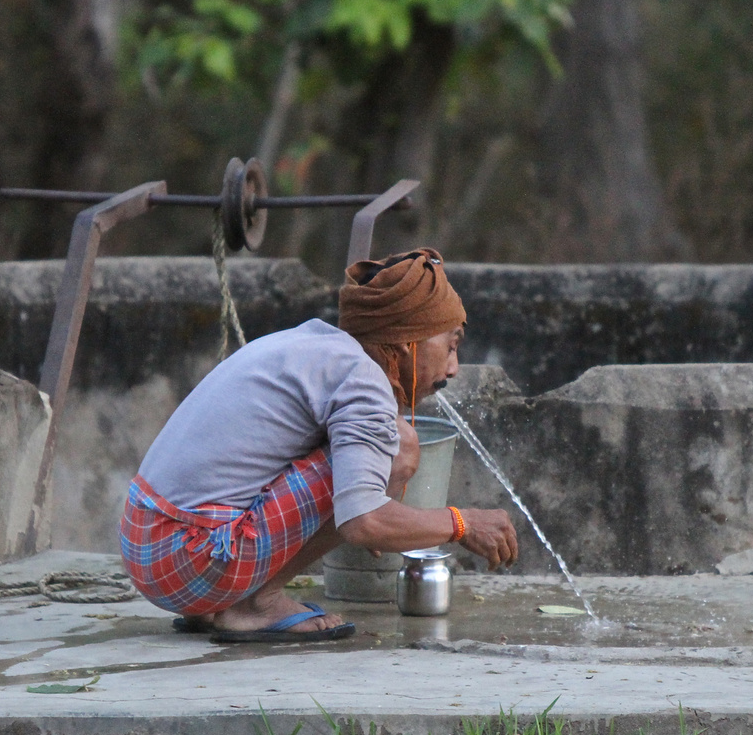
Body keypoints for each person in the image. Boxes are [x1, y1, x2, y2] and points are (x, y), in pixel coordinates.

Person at [119, 248, 519, 642]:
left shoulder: (315, 346)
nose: (453, 367)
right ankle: (254, 604)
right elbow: (364, 521)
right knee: (399, 447)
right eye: (451, 345)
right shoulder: (362, 382)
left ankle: (234, 600)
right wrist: (461, 523)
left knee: (388, 446)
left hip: (144, 540)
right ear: (406, 341)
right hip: (187, 557)